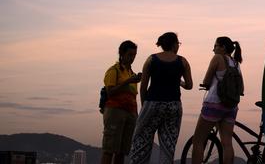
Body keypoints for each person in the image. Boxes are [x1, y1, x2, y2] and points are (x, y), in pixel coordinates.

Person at [129, 32, 193, 164]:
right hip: (174, 106)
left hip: (152, 103)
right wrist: (178, 81)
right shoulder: (183, 61)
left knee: (141, 143)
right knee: (167, 147)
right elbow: (189, 85)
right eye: (178, 43)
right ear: (174, 44)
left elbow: (143, 87)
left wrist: (144, 107)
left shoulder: (151, 60)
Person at [192, 36, 244, 164]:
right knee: (227, 143)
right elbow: (241, 88)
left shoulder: (217, 58)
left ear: (223, 47)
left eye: (215, 46)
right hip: (231, 106)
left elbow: (206, 80)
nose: (213, 49)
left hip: (214, 104)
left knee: (198, 140)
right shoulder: (236, 63)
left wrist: (207, 85)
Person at [101, 40, 142, 164]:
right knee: (109, 149)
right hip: (115, 111)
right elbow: (110, 92)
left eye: (134, 55)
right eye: (130, 54)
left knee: (122, 151)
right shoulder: (113, 71)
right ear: (121, 54)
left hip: (130, 113)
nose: (132, 58)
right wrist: (127, 82)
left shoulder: (131, 73)